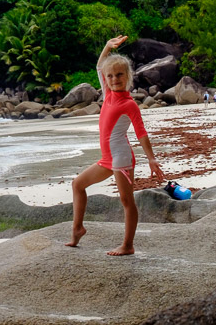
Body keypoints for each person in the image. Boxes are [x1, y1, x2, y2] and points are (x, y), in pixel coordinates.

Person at [65, 35, 165, 256]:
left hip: (121, 158)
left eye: (119, 75)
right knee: (77, 185)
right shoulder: (109, 94)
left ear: (127, 76)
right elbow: (101, 66)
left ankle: (128, 245)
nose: (114, 79)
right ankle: (77, 228)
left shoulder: (129, 104)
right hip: (107, 159)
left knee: (126, 201)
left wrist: (151, 158)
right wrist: (107, 47)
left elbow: (141, 133)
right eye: (110, 76)